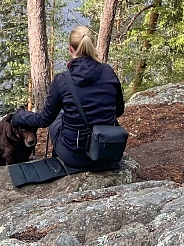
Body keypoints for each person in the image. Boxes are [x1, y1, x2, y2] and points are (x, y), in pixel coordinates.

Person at [12, 25, 125, 169]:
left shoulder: (62, 80)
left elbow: (44, 119)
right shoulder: (108, 71)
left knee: (56, 120)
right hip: (107, 150)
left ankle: (56, 163)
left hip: (76, 156)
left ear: (70, 48)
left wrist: (19, 116)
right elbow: (119, 110)